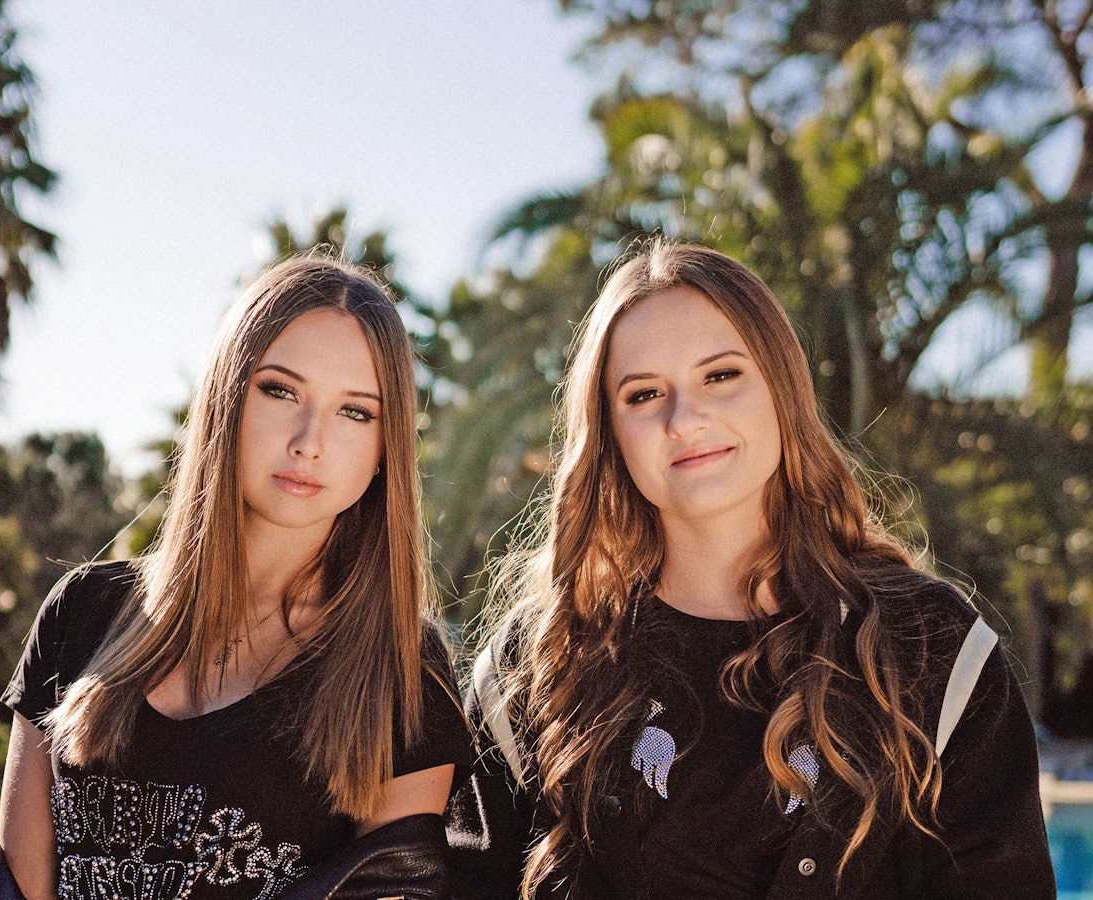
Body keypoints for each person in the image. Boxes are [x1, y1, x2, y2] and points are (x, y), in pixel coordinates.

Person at [446, 242, 1056, 899]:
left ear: (781, 389)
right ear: (609, 431)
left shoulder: (930, 652)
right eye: (644, 393)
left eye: (721, 375)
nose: (685, 420)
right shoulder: (535, 664)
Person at [0, 255, 472, 900]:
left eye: (356, 411)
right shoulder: (85, 610)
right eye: (280, 390)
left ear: (387, 448)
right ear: (226, 398)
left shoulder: (403, 670)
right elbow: (15, 885)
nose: (310, 440)